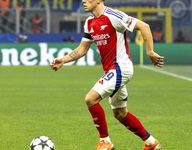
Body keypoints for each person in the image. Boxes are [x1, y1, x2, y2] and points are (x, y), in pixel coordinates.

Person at [50, 0, 164, 149]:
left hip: (120, 68)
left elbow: (144, 26)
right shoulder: (89, 22)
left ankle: (105, 141)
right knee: (120, 113)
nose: (83, 1)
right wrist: (63, 60)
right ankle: (151, 143)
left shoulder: (113, 16)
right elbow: (82, 49)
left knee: (90, 99)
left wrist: (149, 51)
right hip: (111, 71)